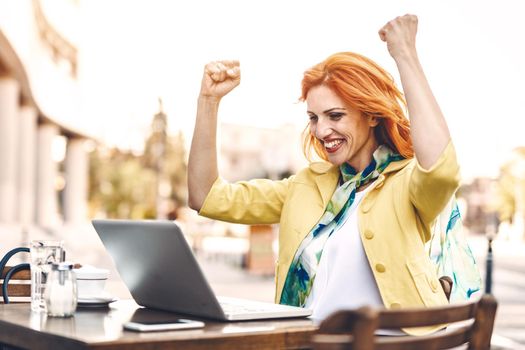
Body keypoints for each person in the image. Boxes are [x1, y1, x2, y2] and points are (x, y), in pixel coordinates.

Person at [188, 14, 460, 334]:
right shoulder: (307, 184)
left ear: (371, 115)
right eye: (314, 118)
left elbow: (441, 172)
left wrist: (405, 53)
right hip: (304, 341)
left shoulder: (408, 183)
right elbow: (205, 196)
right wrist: (209, 101)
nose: (321, 130)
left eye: (335, 115)